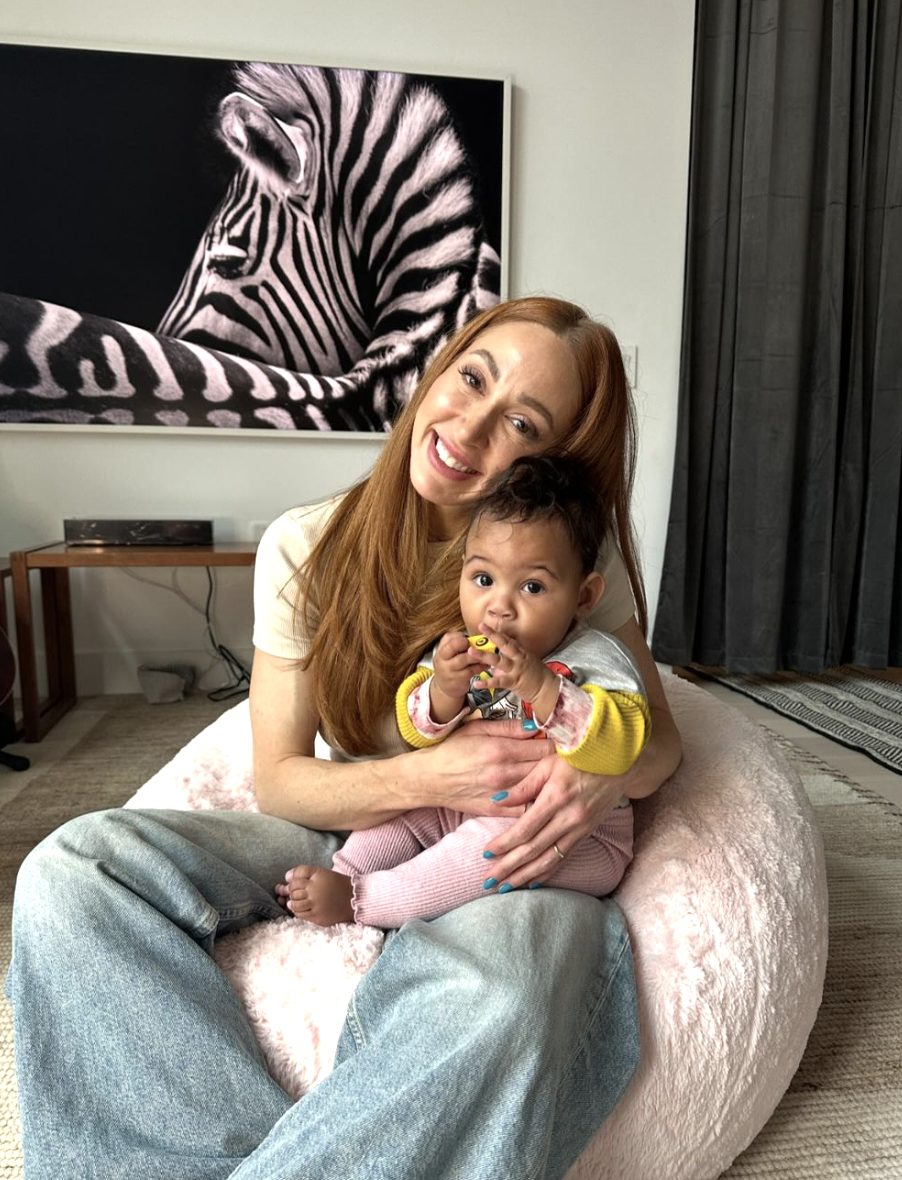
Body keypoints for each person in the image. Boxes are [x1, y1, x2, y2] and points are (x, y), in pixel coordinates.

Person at [7, 296, 682, 1180]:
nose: (469, 425)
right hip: (357, 824)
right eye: (471, 378)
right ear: (438, 371)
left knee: (503, 993)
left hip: (520, 850)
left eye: (520, 421)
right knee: (72, 869)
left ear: (551, 463)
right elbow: (283, 781)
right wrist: (435, 773)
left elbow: (661, 741)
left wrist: (600, 775)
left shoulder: (563, 578)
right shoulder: (307, 543)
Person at [276, 453, 651, 928]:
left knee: (480, 852)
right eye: (483, 579)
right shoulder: (463, 651)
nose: (500, 607)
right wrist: (444, 691)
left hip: (569, 834)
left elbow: (624, 743)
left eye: (532, 587)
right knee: (399, 820)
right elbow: (415, 730)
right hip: (460, 805)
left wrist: (540, 684)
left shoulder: (594, 656)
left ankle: (366, 901)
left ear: (583, 597)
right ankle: (344, 874)